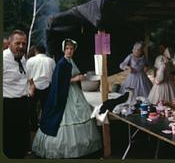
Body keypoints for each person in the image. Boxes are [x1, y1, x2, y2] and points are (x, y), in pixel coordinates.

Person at [32, 38, 102, 158]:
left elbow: (70, 75)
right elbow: (58, 81)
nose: (69, 51)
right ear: (63, 50)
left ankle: (81, 146)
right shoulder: (61, 63)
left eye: (71, 49)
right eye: (67, 49)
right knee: (64, 119)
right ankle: (61, 148)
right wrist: (76, 79)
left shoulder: (70, 61)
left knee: (81, 114)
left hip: (74, 92)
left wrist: (80, 77)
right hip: (65, 94)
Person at [3, 30, 29, 158]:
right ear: (9, 43)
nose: (21, 46)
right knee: (9, 142)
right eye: (17, 43)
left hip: (23, 104)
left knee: (21, 140)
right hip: (8, 106)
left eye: (23, 43)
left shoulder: (22, 58)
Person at [26, 44, 56, 131]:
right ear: (44, 51)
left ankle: (34, 126)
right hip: (48, 86)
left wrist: (31, 87)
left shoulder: (30, 60)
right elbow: (54, 75)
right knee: (46, 107)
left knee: (32, 108)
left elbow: (28, 75)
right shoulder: (51, 61)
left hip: (34, 86)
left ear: (36, 50)